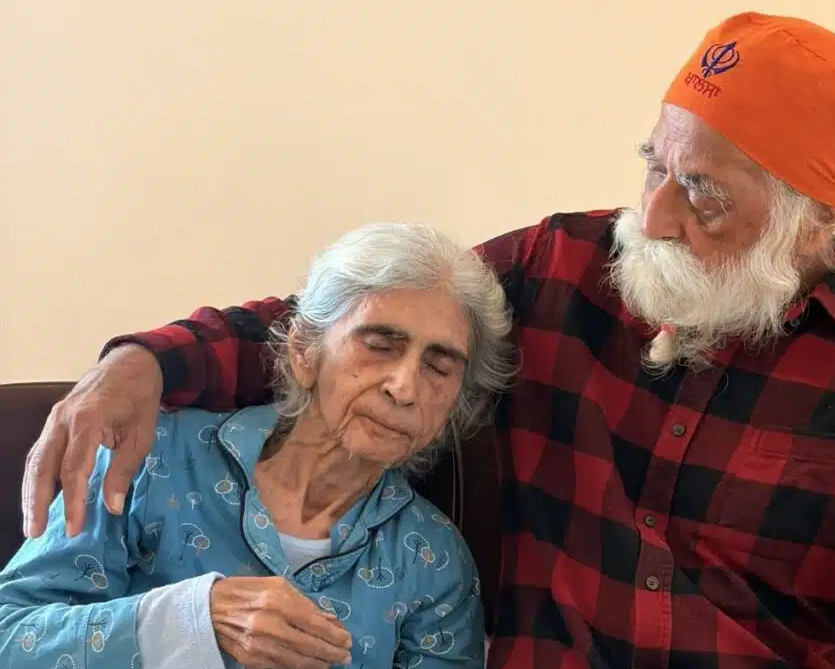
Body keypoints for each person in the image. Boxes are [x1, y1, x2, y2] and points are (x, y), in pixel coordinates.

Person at [19, 11, 835, 669]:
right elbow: (351, 318)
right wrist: (144, 360)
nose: (655, 217)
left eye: (704, 192)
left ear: (809, 224)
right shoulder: (561, 265)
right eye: (654, 168)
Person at [3, 222, 515, 669]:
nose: (404, 387)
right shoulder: (153, 458)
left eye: (439, 366)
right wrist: (194, 619)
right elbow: (12, 636)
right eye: (380, 345)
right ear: (303, 353)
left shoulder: (434, 563)